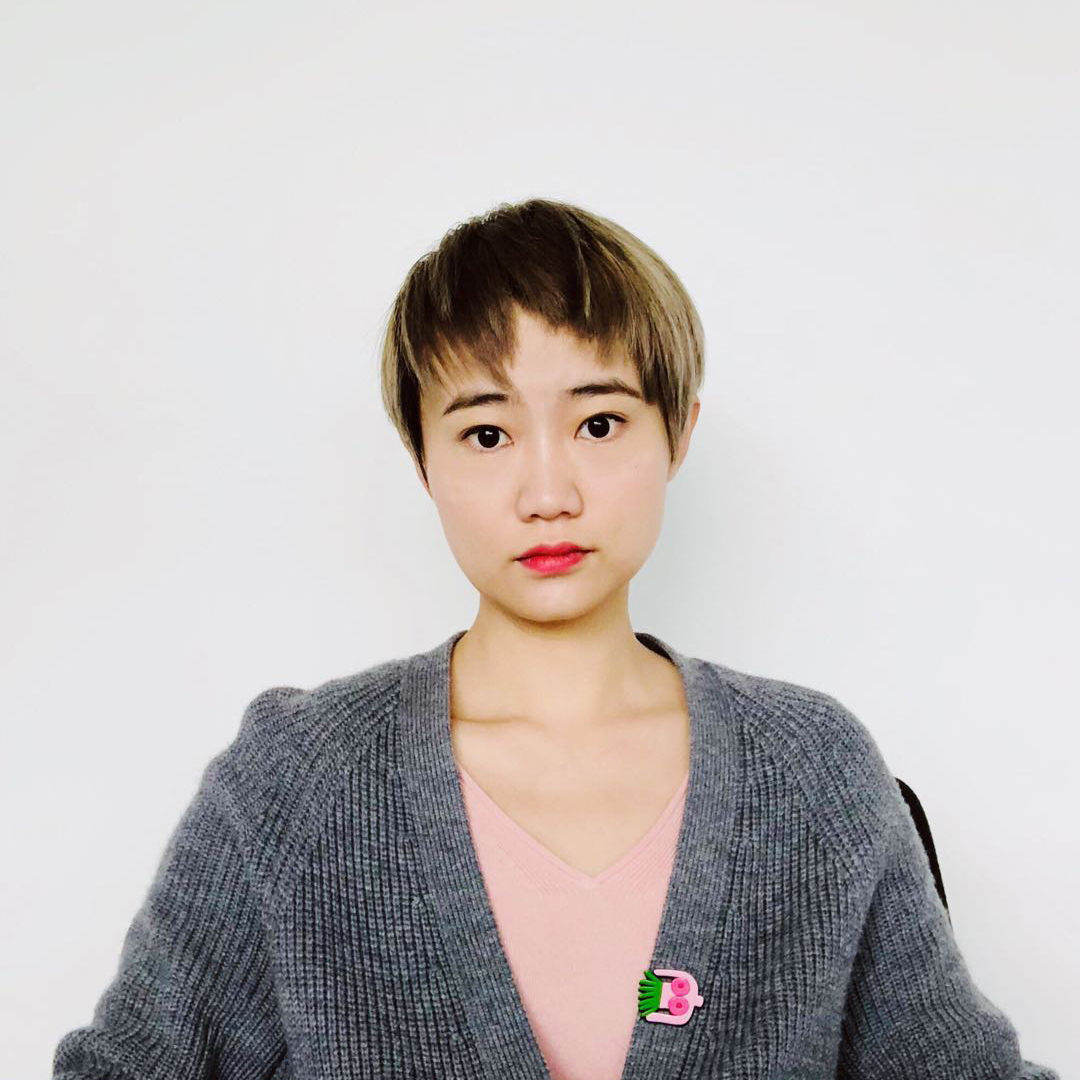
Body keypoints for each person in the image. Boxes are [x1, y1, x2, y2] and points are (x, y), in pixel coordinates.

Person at [53, 197, 1057, 1079]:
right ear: (422, 459)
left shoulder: (810, 769)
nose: (547, 493)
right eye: (486, 434)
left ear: (679, 433)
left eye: (600, 424)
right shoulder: (297, 780)